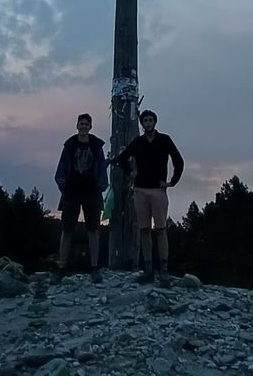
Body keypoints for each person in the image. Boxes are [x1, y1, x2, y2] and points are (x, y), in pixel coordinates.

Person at [114, 110, 184, 286]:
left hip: (158, 190)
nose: (148, 123)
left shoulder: (164, 140)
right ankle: (148, 269)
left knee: (161, 230)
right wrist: (131, 173)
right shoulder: (138, 142)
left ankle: (164, 270)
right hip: (140, 190)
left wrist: (171, 182)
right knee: (144, 230)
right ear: (142, 123)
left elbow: (178, 161)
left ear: (155, 122)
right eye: (145, 120)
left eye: (150, 120)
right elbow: (121, 159)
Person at [53, 113, 108, 284]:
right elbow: (61, 167)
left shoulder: (96, 146)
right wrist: (63, 185)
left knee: (93, 230)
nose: (83, 126)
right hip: (72, 191)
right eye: (81, 123)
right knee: (67, 230)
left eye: (86, 124)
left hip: (91, 191)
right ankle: (61, 267)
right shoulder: (70, 145)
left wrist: (101, 186)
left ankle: (94, 268)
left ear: (90, 127)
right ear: (77, 126)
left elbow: (101, 167)